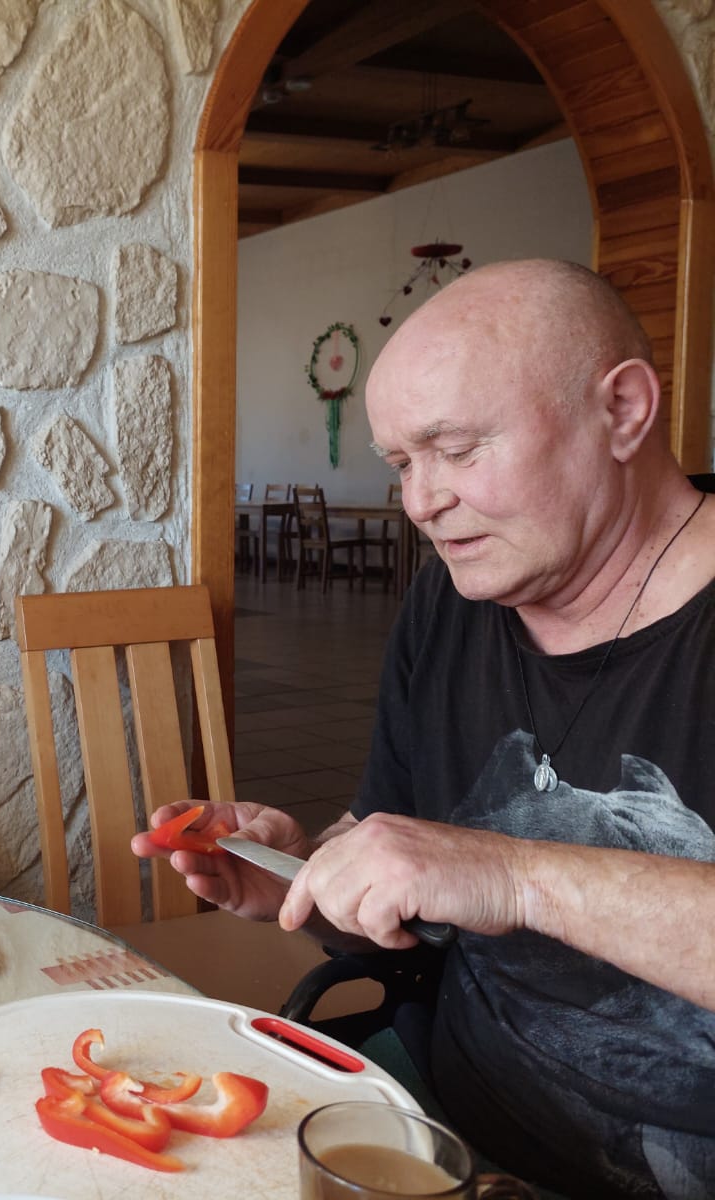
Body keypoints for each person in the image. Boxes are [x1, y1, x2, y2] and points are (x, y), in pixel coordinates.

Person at [135, 260, 715, 1200]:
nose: (419, 503)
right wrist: (305, 875)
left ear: (623, 411)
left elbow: (482, 872)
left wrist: (510, 873)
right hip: (439, 1125)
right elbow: (411, 882)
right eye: (402, 463)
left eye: (457, 449)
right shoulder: (449, 605)